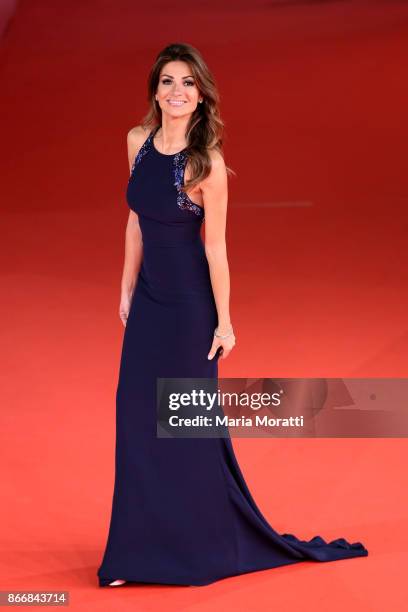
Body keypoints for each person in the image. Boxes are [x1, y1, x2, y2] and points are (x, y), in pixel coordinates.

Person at [97, 42, 368, 588]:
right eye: (169, 81)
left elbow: (216, 249)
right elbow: (134, 222)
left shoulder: (207, 165)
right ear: (156, 89)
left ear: (201, 97)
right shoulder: (136, 143)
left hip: (190, 309)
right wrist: (125, 288)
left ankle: (196, 550)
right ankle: (134, 551)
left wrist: (225, 321)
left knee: (184, 428)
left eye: (188, 84)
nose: (177, 92)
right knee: (136, 420)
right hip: (148, 303)